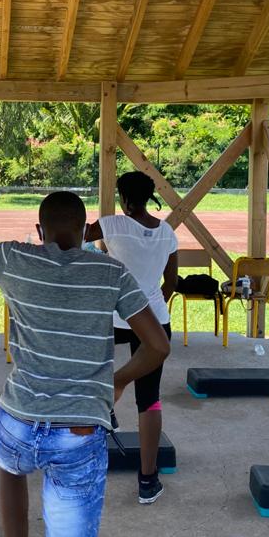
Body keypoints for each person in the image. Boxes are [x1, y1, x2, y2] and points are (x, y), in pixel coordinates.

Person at [0, 164, 170, 537]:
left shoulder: (12, 257)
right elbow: (157, 346)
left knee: (8, 464)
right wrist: (117, 382)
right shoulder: (110, 272)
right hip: (79, 431)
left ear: (40, 230)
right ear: (85, 227)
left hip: (18, 424)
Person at [84, 171, 178, 505]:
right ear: (149, 196)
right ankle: (148, 481)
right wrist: (151, 307)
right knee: (150, 398)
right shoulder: (167, 232)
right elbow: (171, 282)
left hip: (111, 317)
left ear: (124, 198)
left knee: (91, 375)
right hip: (153, 321)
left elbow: (73, 236)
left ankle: (102, 404)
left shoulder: (111, 224)